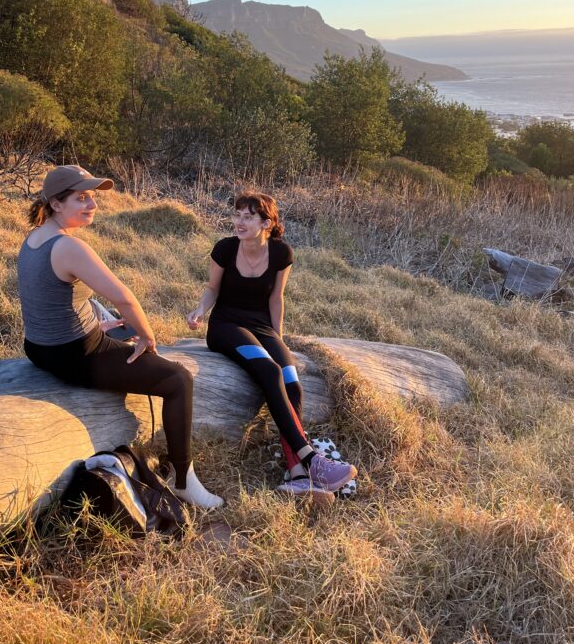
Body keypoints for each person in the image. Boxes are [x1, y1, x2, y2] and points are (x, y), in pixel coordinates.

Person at [18, 164, 222, 510]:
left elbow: (52, 297)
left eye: (93, 198)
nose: (92, 205)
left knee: (119, 326)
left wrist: (100, 322)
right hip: (75, 355)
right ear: (56, 203)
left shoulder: (34, 239)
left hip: (39, 347)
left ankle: (116, 332)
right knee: (178, 378)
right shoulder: (69, 247)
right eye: (81, 198)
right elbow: (125, 297)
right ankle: (185, 480)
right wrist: (147, 338)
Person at [187, 192, 356, 499]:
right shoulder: (225, 249)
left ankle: (296, 476)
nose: (239, 221)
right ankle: (309, 457)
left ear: (266, 223)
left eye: (248, 217)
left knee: (293, 384)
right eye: (237, 215)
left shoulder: (281, 254)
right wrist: (200, 310)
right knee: (268, 369)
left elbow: (276, 298)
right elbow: (212, 288)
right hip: (227, 326)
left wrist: (277, 337)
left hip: (263, 327)